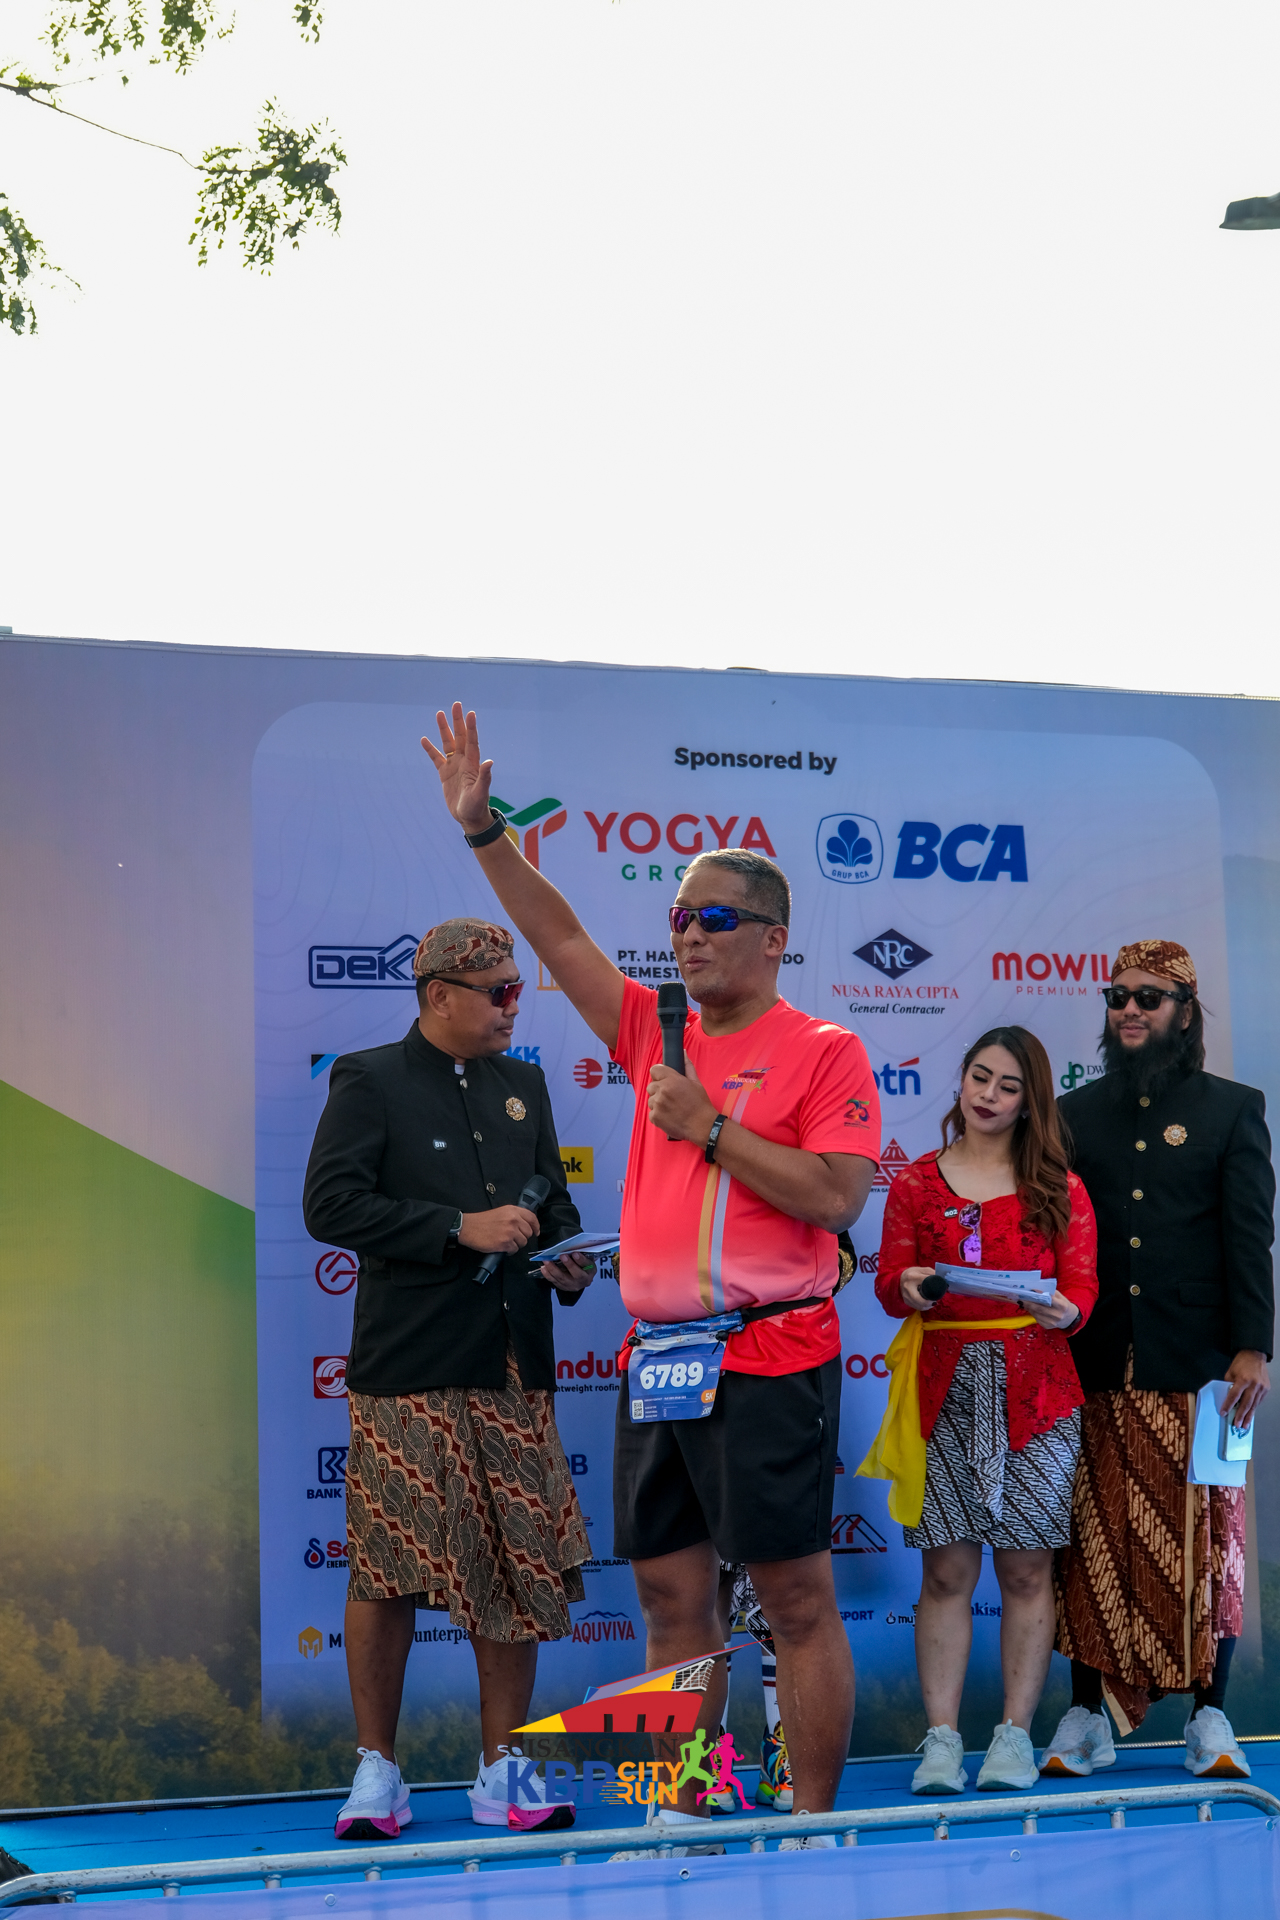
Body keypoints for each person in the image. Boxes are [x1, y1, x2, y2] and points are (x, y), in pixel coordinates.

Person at [423, 704, 882, 1855]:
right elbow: (559, 936)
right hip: (659, 1360)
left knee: (791, 1603)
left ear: (772, 938)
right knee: (671, 1601)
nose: (687, 936)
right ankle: (681, 1810)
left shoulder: (823, 1049)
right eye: (677, 918)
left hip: (770, 1352)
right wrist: (482, 834)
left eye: (712, 918)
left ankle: (812, 1828)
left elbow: (836, 1200)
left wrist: (709, 1128)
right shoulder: (649, 1026)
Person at [303, 917, 597, 1840]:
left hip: (512, 1360)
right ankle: (377, 1770)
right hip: (410, 1365)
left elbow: (555, 1204)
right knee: (387, 1563)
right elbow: (330, 1204)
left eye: (517, 988)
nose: (515, 1006)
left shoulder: (525, 1085)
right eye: (499, 991)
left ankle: (503, 1766)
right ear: (439, 995)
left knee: (516, 1561)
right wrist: (455, 1228)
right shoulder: (369, 1078)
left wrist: (569, 1260)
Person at [1045, 940, 1275, 1780]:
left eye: (1149, 997)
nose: (1130, 1010)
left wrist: (1252, 1347)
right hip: (1095, 1362)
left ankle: (1209, 1715)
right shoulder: (1073, 1114)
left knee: (1210, 1544)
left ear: (1184, 1009)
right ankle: (1086, 1716)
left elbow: (1249, 1238)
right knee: (1091, 1539)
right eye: (1117, 997)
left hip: (1208, 1371)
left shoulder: (1232, 1108)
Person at [860, 1026, 1098, 1796]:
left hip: (1038, 1391)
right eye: (979, 1078)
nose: (989, 1096)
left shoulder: (1060, 1187)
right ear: (961, 1081)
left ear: (1031, 1102)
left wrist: (1068, 1311)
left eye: (1008, 1086)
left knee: (1027, 1570)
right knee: (946, 1571)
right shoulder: (915, 1182)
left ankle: (1013, 1738)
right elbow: (888, 1281)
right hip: (944, 1387)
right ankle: (941, 1742)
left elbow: (1083, 1288)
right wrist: (910, 1285)